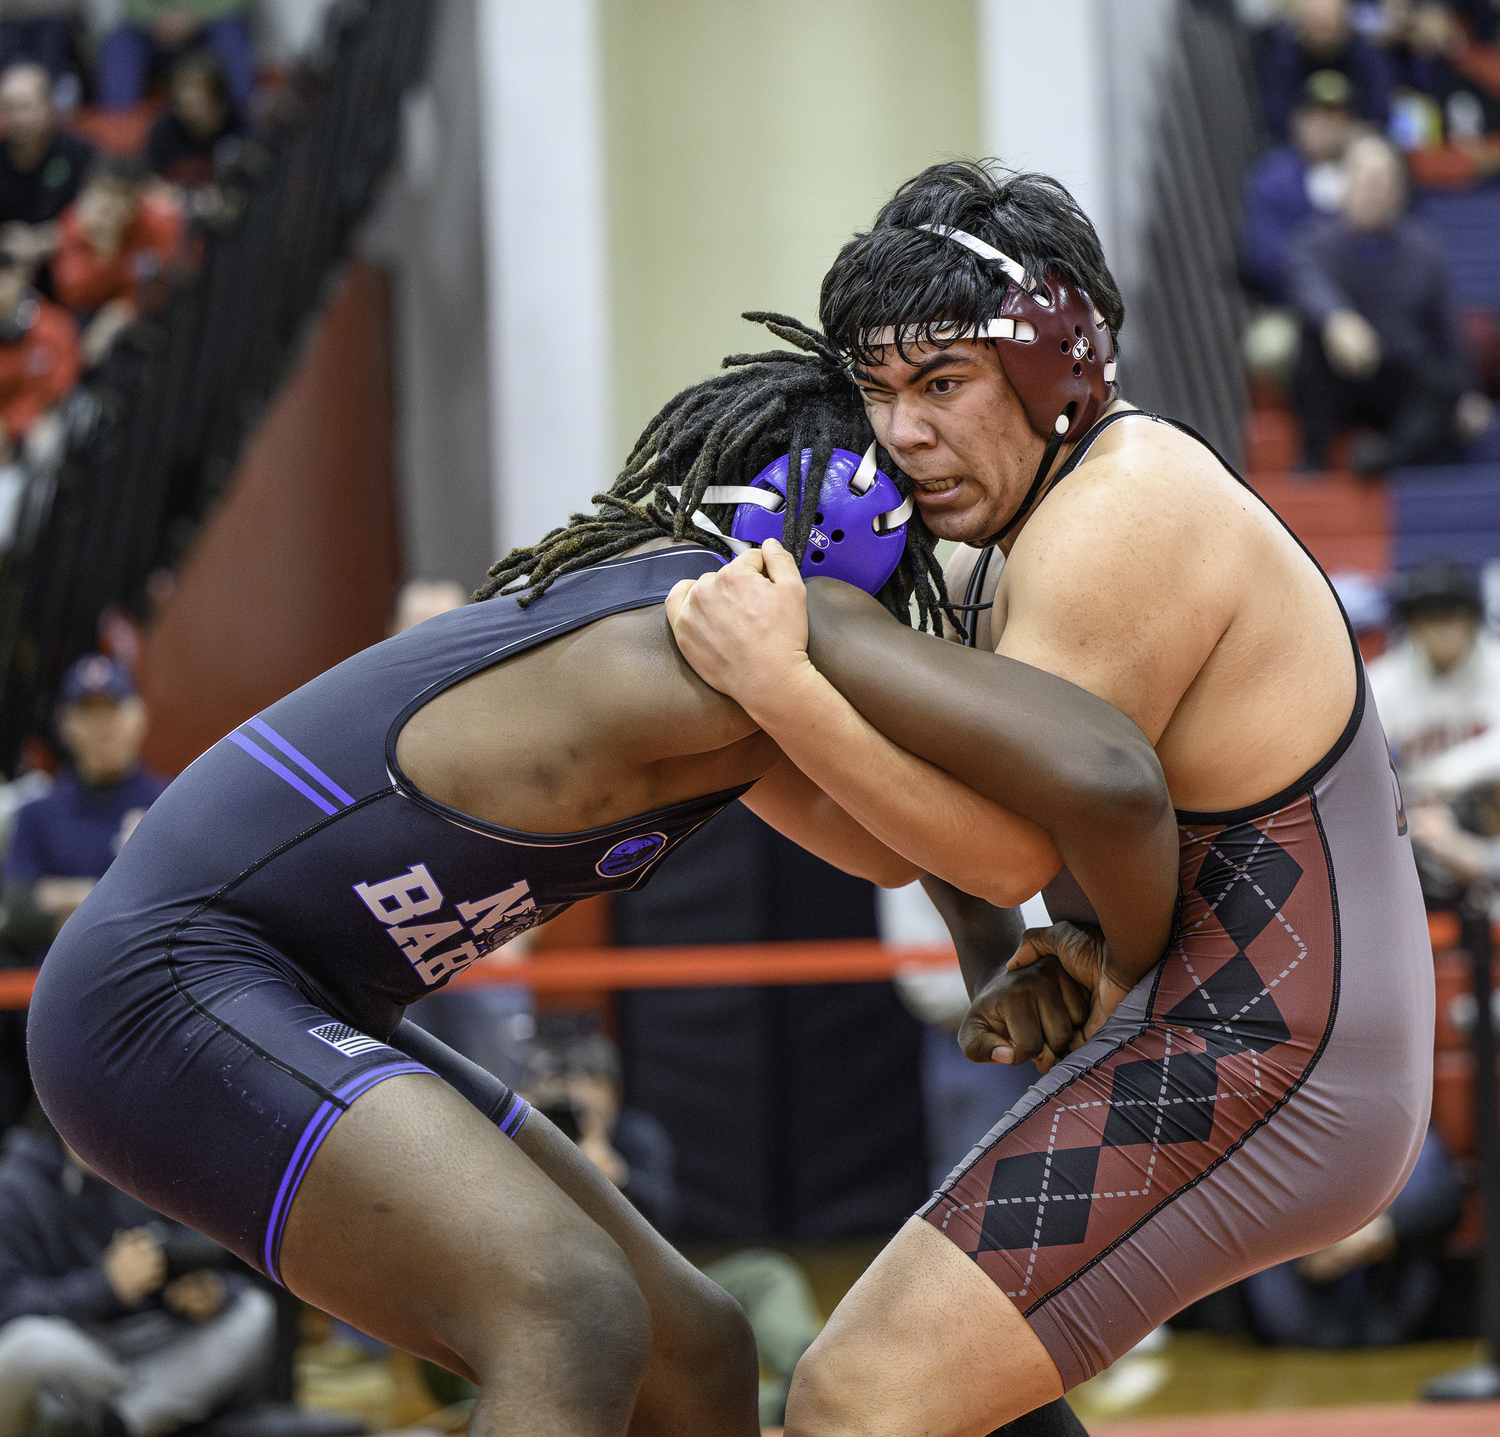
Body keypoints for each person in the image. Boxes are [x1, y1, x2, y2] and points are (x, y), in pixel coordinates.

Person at [27, 319, 1180, 1437]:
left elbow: (892, 836)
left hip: (301, 994)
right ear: (846, 537)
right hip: (164, 992)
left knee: (698, 1350)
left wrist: (993, 963)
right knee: (567, 1313)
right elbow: (1086, 778)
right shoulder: (701, 637)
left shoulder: (740, 684)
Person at [664, 158, 1433, 1436]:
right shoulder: (1003, 554)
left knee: (855, 1396)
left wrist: (787, 688)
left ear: (1058, 366)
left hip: (1274, 1056)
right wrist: (740, 736)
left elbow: (1002, 846)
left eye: (944, 385)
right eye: (878, 390)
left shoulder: (1123, 508)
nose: (902, 434)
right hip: (1219, 1030)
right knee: (959, 1397)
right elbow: (889, 839)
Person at [0, 1118, 275, 1437]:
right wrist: (106, 1285)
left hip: (158, 1349)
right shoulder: (17, 1185)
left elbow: (211, 1255)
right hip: (79, 1355)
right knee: (28, 1345)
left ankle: (125, 1422)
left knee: (254, 1311)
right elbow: (9, 1305)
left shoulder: (148, 1167)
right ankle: (137, 1413)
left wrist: (212, 1293)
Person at [1288, 134, 1491, 473]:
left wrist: (1467, 392)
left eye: (1384, 181)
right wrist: (1338, 319)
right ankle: (1313, 458)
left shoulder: (1427, 251)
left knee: (1446, 384)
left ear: (1400, 190)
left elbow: (1446, 333)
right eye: (1366, 180)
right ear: (1345, 185)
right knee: (1309, 341)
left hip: (1399, 376)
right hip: (1338, 372)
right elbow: (1307, 284)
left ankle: (1389, 457)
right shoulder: (1313, 242)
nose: (1375, 191)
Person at [2, 656, 167, 957]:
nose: (102, 726)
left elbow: (171, 910)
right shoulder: (36, 814)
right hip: (49, 991)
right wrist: (121, 905)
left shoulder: (170, 806)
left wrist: (68, 895)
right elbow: (17, 912)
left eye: (112, 709)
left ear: (138, 716)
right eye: (88, 712)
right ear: (65, 723)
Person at [1241, 1128, 1462, 1346]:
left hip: (1394, 1308)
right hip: (1295, 1313)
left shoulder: (1410, 1133)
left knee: (1419, 1148)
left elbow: (1445, 1203)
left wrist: (1382, 1231)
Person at [1368, 561, 1500, 792]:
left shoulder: (1495, 665)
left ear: (1471, 621)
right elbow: (1360, 757)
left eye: (1450, 617)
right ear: (1412, 626)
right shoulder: (1385, 679)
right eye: (1430, 618)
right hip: (1419, 811)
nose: (1441, 630)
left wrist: (1449, 773)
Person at [1242, 69, 1360, 307]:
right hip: (1290, 306)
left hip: (1365, 306)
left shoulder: (1367, 173)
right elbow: (1265, 258)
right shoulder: (1272, 177)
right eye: (1319, 117)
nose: (1329, 127)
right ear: (1299, 121)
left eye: (1338, 118)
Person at [51, 159, 183, 367]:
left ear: (135, 202)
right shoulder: (75, 223)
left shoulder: (159, 225)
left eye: (117, 198)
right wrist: (104, 251)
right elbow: (72, 294)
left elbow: (160, 291)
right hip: (89, 312)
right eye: (100, 196)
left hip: (150, 316)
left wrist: (118, 312)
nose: (107, 209)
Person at [0, 63, 92, 288]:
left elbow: (101, 214)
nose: (18, 118)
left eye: (26, 107)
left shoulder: (81, 154)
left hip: (66, 268)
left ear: (49, 105)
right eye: (10, 108)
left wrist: (43, 240)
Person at [1259, 0, 1393, 142]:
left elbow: (1380, 112)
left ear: (1345, 25)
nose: (1324, 36)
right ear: (1300, 27)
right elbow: (1276, 115)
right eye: (1317, 25)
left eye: (1330, 26)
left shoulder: (1366, 56)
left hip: (1357, 142)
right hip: (1300, 145)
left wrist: (1347, 134)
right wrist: (1307, 135)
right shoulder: (1284, 59)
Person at [0, 250, 79, 469]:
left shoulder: (52, 325)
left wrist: (14, 425)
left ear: (18, 279)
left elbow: (62, 384)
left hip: (39, 420)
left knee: (44, 444)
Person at [97, 4, 254, 113]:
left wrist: (195, 17)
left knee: (231, 39)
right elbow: (132, 5)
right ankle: (117, 140)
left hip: (210, 24)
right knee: (121, 45)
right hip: (150, 27)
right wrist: (157, 18)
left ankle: (240, 128)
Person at [146, 53, 244, 199]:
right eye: (184, 98)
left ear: (217, 96)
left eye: (198, 96)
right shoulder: (164, 131)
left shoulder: (240, 129)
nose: (190, 103)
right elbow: (151, 184)